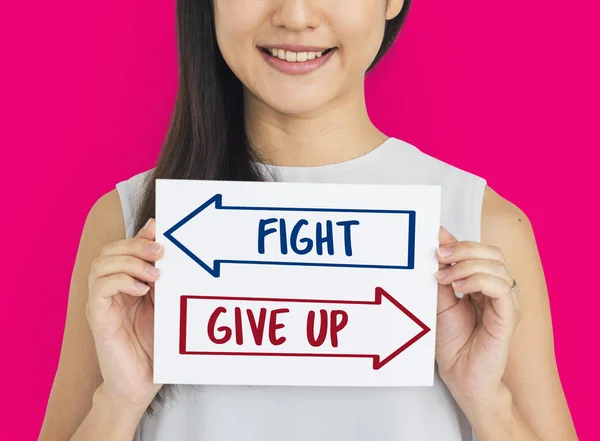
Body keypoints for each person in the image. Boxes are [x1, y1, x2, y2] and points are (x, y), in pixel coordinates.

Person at [38, 1, 578, 440]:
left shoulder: (483, 226)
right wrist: (120, 401)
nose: (296, 16)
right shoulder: (130, 223)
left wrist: (489, 403)